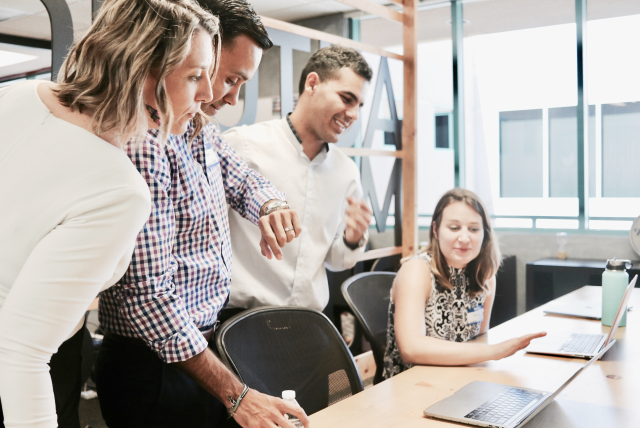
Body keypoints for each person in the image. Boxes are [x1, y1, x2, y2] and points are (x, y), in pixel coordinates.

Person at [0, 0, 221, 425]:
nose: (208, 95)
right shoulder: (119, 189)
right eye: (195, 76)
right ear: (141, 68)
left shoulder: (17, 95)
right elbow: (21, 352)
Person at [95, 1, 309, 427]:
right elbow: (149, 296)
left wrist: (272, 205)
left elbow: (245, 180)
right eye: (226, 78)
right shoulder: (145, 143)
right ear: (198, 55)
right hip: (154, 365)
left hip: (199, 351)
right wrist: (237, 395)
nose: (224, 98)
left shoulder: (199, 131)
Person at [220, 46, 373, 316]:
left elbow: (337, 260)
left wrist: (352, 238)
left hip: (309, 322)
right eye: (346, 98)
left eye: (359, 106)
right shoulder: (242, 145)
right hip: (240, 318)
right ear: (312, 83)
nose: (353, 115)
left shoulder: (346, 171)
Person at [383, 188, 546, 379]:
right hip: (410, 385)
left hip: (458, 378)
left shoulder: (485, 276)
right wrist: (495, 352)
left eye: (474, 229)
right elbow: (411, 349)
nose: (464, 238)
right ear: (435, 230)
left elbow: (477, 340)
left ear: (485, 233)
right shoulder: (417, 270)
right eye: (454, 228)